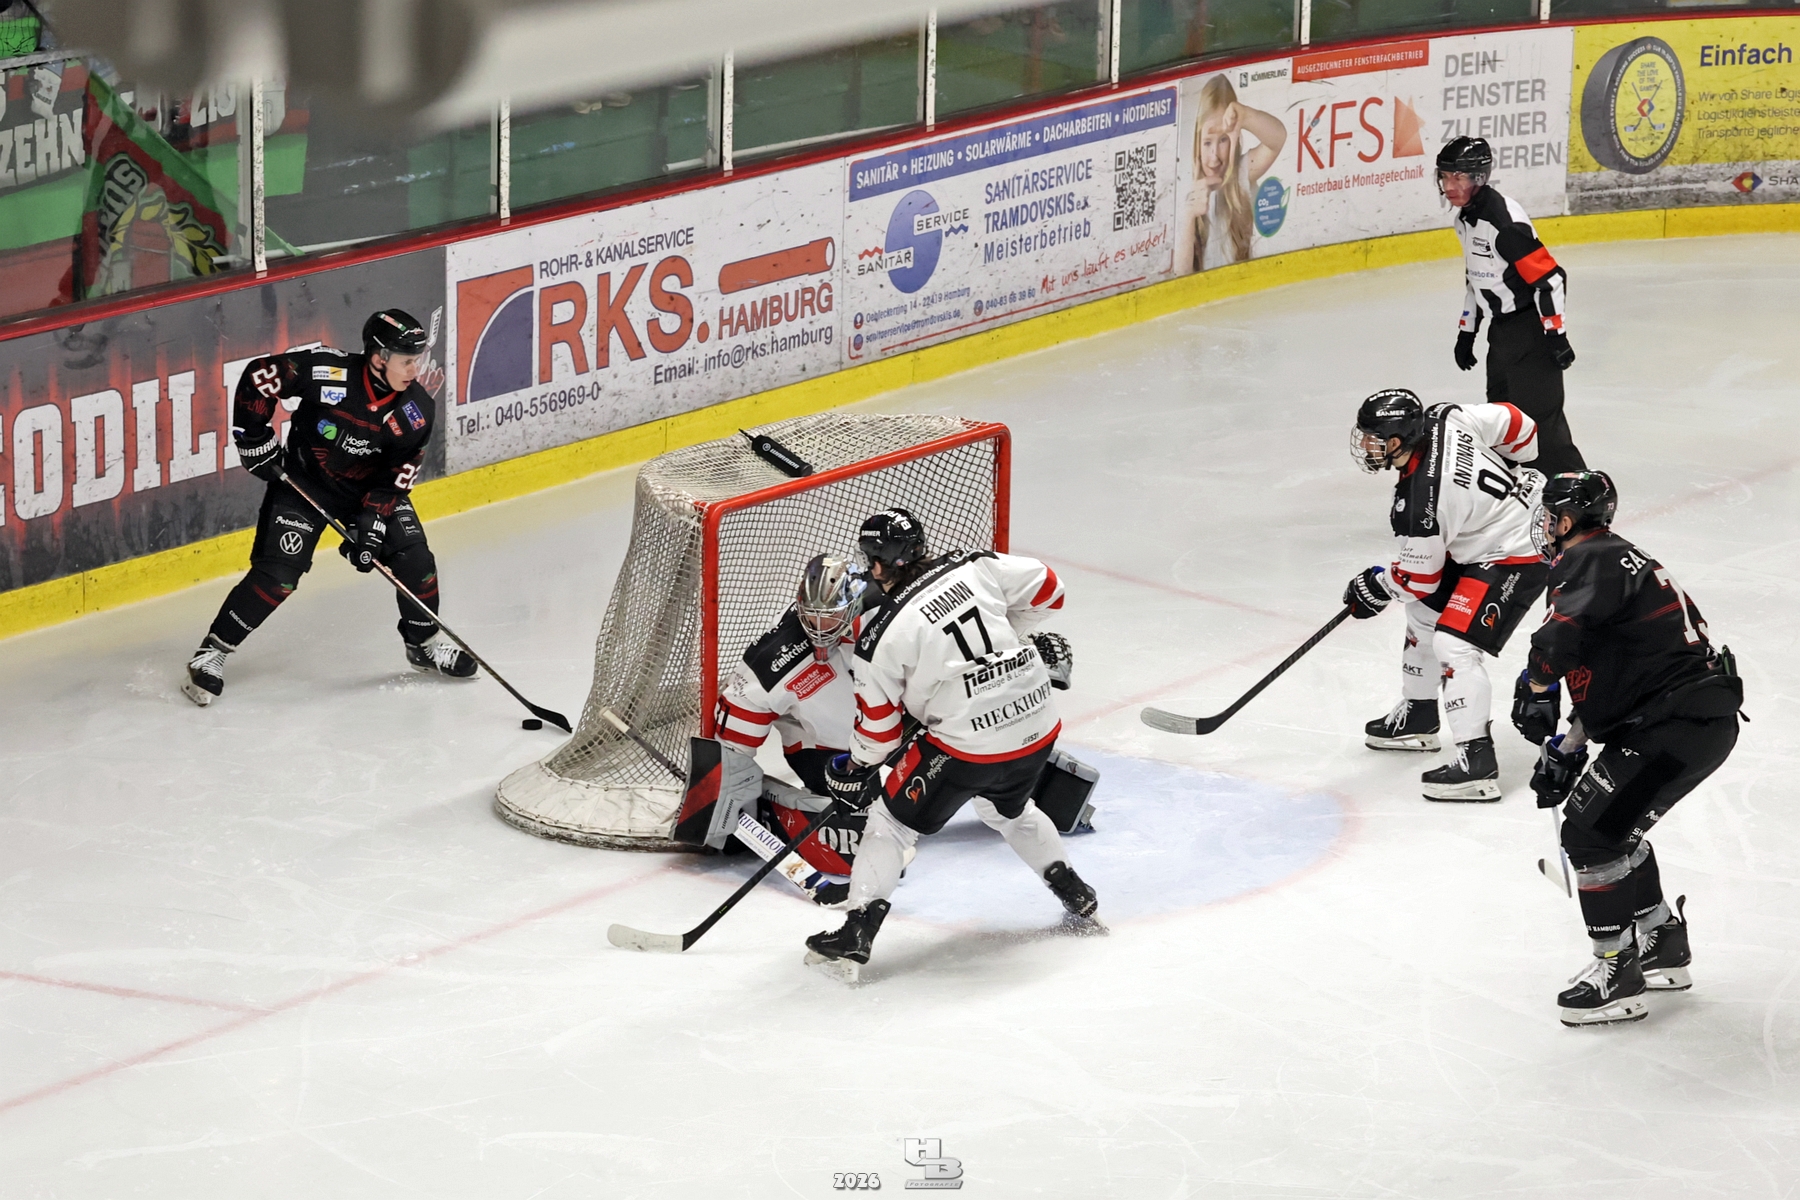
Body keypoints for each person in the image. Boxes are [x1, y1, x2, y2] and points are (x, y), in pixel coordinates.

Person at [802, 508, 1094, 980]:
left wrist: (854, 768)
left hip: (969, 746)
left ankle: (857, 930)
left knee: (889, 822)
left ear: (875, 564)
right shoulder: (973, 566)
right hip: (1039, 723)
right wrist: (1003, 644)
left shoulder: (879, 637)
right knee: (1008, 809)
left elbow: (879, 735)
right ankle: (1074, 891)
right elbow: (1050, 589)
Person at [1511, 472, 1742, 1026]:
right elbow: (1618, 672)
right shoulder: (1614, 558)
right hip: (1688, 720)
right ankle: (1662, 943)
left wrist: (1535, 685)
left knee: (1589, 835)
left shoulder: (1586, 559)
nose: (1545, 525)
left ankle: (1617, 974)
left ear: (1568, 521)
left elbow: (1557, 643)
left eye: (1551, 516)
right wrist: (1568, 747)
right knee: (1613, 828)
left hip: (1675, 725)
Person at [181, 309, 473, 706]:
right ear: (379, 358)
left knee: (415, 559)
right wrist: (253, 437)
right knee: (278, 576)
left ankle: (423, 643)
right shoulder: (328, 372)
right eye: (407, 361)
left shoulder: (417, 410)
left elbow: (397, 477)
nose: (414, 370)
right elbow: (259, 376)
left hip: (365, 493)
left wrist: (371, 527)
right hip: (302, 485)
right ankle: (212, 651)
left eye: (416, 360)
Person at [1344, 388, 1546, 800]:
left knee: (1454, 644)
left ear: (1397, 441)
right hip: (1500, 527)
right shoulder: (1445, 417)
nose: (1365, 445)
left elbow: (1418, 578)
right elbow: (1519, 424)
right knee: (1423, 613)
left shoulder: (1422, 502)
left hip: (1519, 550)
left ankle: (1476, 763)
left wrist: (1377, 587)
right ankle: (1419, 715)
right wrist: (1514, 465)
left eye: (1373, 438)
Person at [695, 554, 876, 892]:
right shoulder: (774, 658)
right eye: (812, 614)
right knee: (856, 833)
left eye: (831, 615)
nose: (820, 626)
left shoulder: (886, 618)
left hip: (888, 735)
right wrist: (727, 799)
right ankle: (771, 807)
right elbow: (734, 735)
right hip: (824, 749)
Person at [1437, 135, 1585, 476]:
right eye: (1444, 176)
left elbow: (1550, 279)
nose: (1449, 185)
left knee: (1541, 428)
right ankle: (1515, 492)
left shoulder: (1504, 224)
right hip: (1501, 334)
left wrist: (1555, 336)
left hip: (1531, 332)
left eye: (1458, 177)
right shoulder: (1464, 220)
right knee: (1503, 421)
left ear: (1479, 178)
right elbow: (1476, 279)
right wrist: (1467, 332)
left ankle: (1581, 495)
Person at [1188, 74, 1286, 272]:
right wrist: (1189, 216)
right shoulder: (1187, 192)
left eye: (1224, 139)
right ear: (1197, 142)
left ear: (1235, 138)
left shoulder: (1241, 173)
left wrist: (1246, 116)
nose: (1215, 156)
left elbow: (1277, 139)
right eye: (1207, 142)